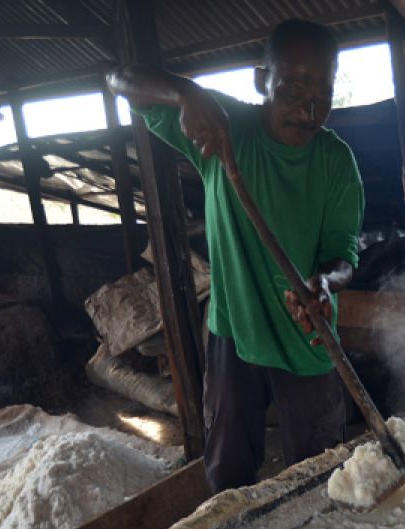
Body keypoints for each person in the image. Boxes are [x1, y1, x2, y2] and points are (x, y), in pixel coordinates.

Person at [106, 19, 364, 492]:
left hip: (307, 341)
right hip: (234, 335)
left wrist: (324, 284)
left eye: (322, 94)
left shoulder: (336, 161)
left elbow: (342, 254)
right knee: (227, 473)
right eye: (292, 90)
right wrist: (185, 93)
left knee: (325, 482)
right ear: (261, 79)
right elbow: (120, 80)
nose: (309, 110)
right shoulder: (224, 130)